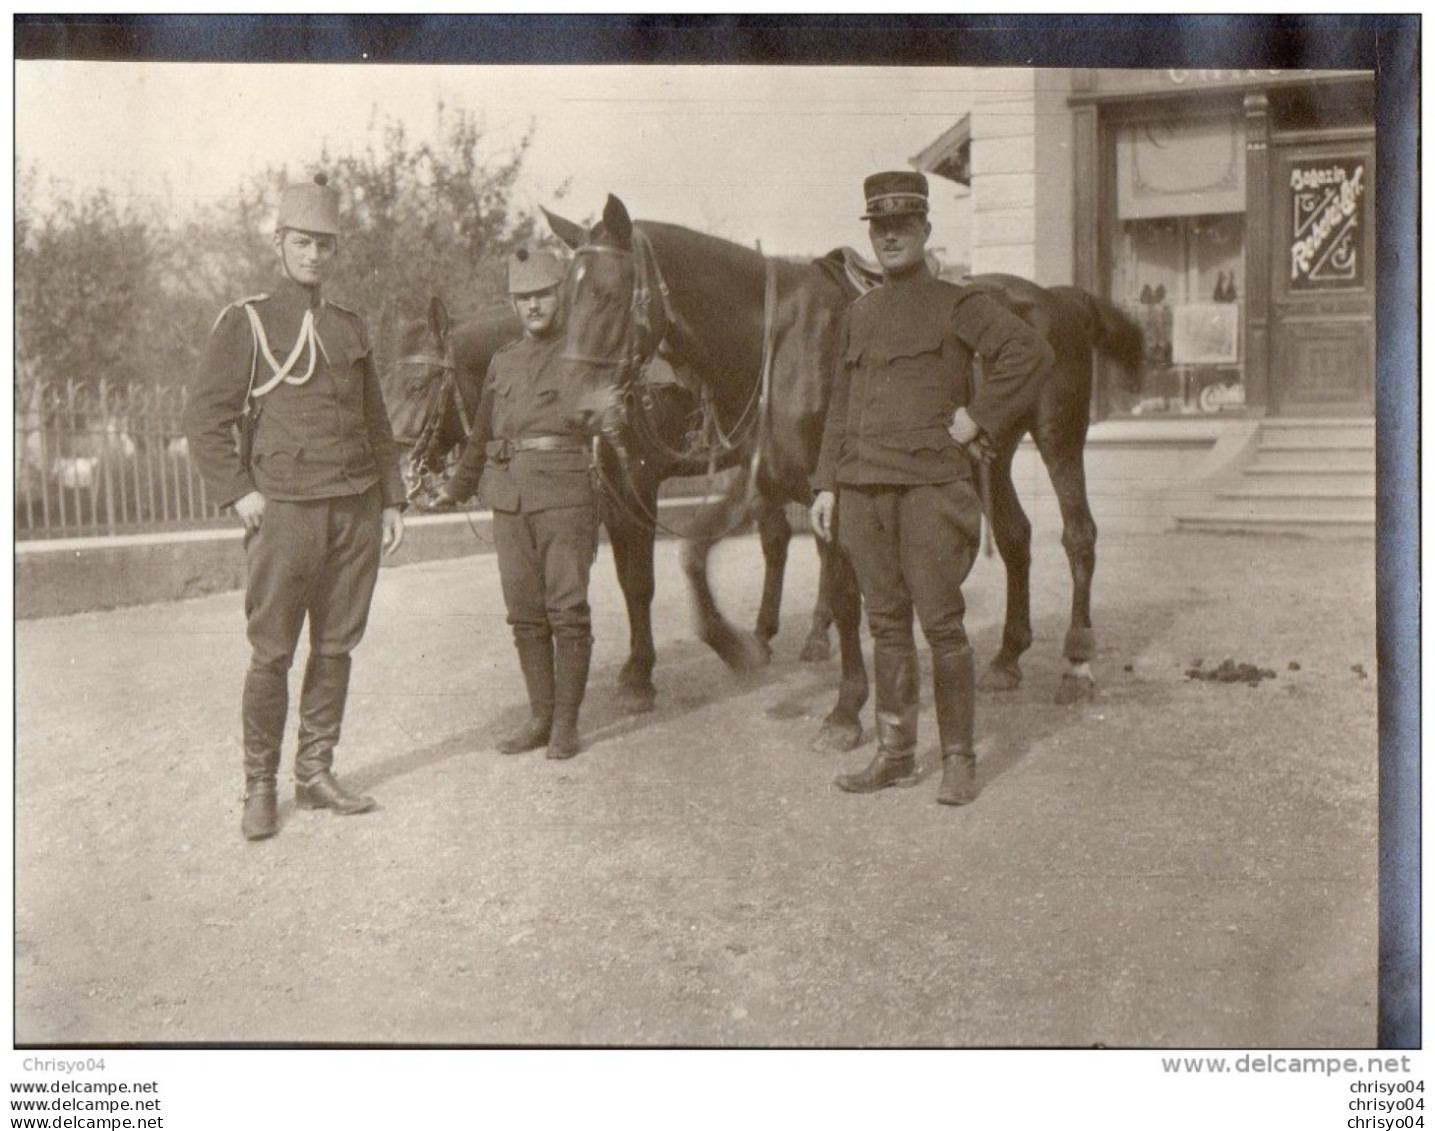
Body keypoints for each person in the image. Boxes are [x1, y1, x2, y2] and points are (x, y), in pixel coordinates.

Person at [809, 171, 1054, 806]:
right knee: (885, 625)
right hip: (863, 491)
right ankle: (894, 753)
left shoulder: (957, 303)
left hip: (930, 491)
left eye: (903, 225)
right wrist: (826, 485)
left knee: (942, 627)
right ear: (871, 233)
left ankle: (959, 758)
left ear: (925, 229)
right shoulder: (857, 315)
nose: (891, 237)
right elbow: (841, 403)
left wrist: (981, 417)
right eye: (879, 227)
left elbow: (1029, 355)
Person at [184, 173, 406, 841]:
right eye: (303, 243)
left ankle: (314, 772)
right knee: (272, 651)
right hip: (283, 512)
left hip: (354, 510)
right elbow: (203, 416)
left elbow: (376, 421)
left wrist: (392, 498)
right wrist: (237, 489)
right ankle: (259, 786)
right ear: (279, 243)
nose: (314, 256)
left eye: (325, 246)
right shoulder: (246, 321)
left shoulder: (347, 325)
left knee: (337, 645)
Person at [434, 245, 597, 760]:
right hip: (509, 500)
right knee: (524, 615)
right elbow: (480, 436)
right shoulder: (502, 362)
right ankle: (540, 718)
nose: (532, 306)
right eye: (522, 298)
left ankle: (567, 725)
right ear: (512, 303)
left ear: (559, 295)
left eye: (542, 295)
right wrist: (455, 489)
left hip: (564, 495)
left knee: (566, 611)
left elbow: (607, 416)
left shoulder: (584, 352)